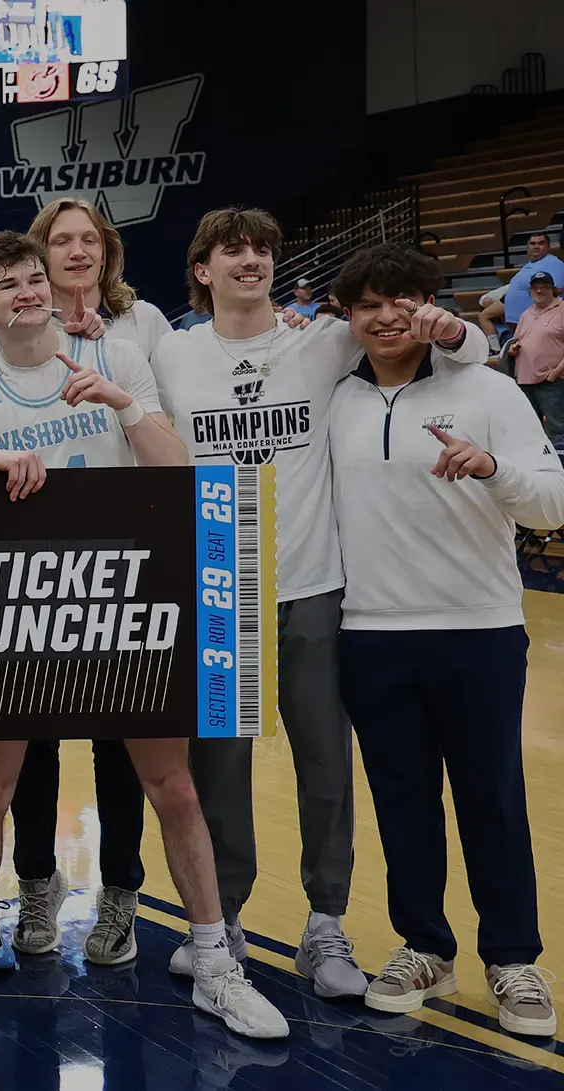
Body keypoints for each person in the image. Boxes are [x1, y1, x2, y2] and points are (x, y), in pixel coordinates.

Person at [0, 230, 288, 1040]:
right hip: (14, 610)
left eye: (33, 278)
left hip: (123, 603)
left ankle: (217, 961)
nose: (27, 291)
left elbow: (179, 472)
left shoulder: (116, 360)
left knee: (175, 787)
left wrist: (125, 407)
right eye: (7, 283)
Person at [152, 208, 487, 999]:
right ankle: (223, 912)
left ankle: (325, 920)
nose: (252, 260)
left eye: (264, 248)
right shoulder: (171, 351)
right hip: (218, 585)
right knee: (220, 766)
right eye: (233, 249)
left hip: (313, 584)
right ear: (202, 269)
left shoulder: (323, 339)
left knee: (326, 763)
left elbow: (471, 355)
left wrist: (451, 326)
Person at [328, 241, 562, 1036]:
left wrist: (494, 467)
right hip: (370, 636)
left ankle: (513, 957)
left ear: (430, 306)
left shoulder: (490, 391)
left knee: (490, 797)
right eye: (367, 304)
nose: (386, 316)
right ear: (349, 317)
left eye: (402, 300)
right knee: (401, 802)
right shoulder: (337, 401)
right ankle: (424, 944)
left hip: (479, 632)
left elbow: (551, 506)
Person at [0, 197, 153, 967]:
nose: (70, 257)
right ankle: (37, 882)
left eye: (85, 240)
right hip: (17, 581)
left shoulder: (138, 335)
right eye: (55, 244)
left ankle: (122, 893)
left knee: (120, 749)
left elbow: (167, 441)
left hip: (117, 574)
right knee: (29, 749)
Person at [508, 271, 564, 442]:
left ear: (553, 290)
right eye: (535, 288)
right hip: (524, 378)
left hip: (551, 379)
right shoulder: (527, 313)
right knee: (531, 428)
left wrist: (556, 371)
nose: (539, 291)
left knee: (559, 427)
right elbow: (517, 340)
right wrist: (513, 349)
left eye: (544, 287)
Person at [504, 232, 564, 326]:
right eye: (532, 243)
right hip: (517, 320)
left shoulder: (554, 263)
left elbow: (557, 290)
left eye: (541, 243)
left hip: (536, 321)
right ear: (527, 247)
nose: (536, 246)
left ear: (548, 247)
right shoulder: (529, 264)